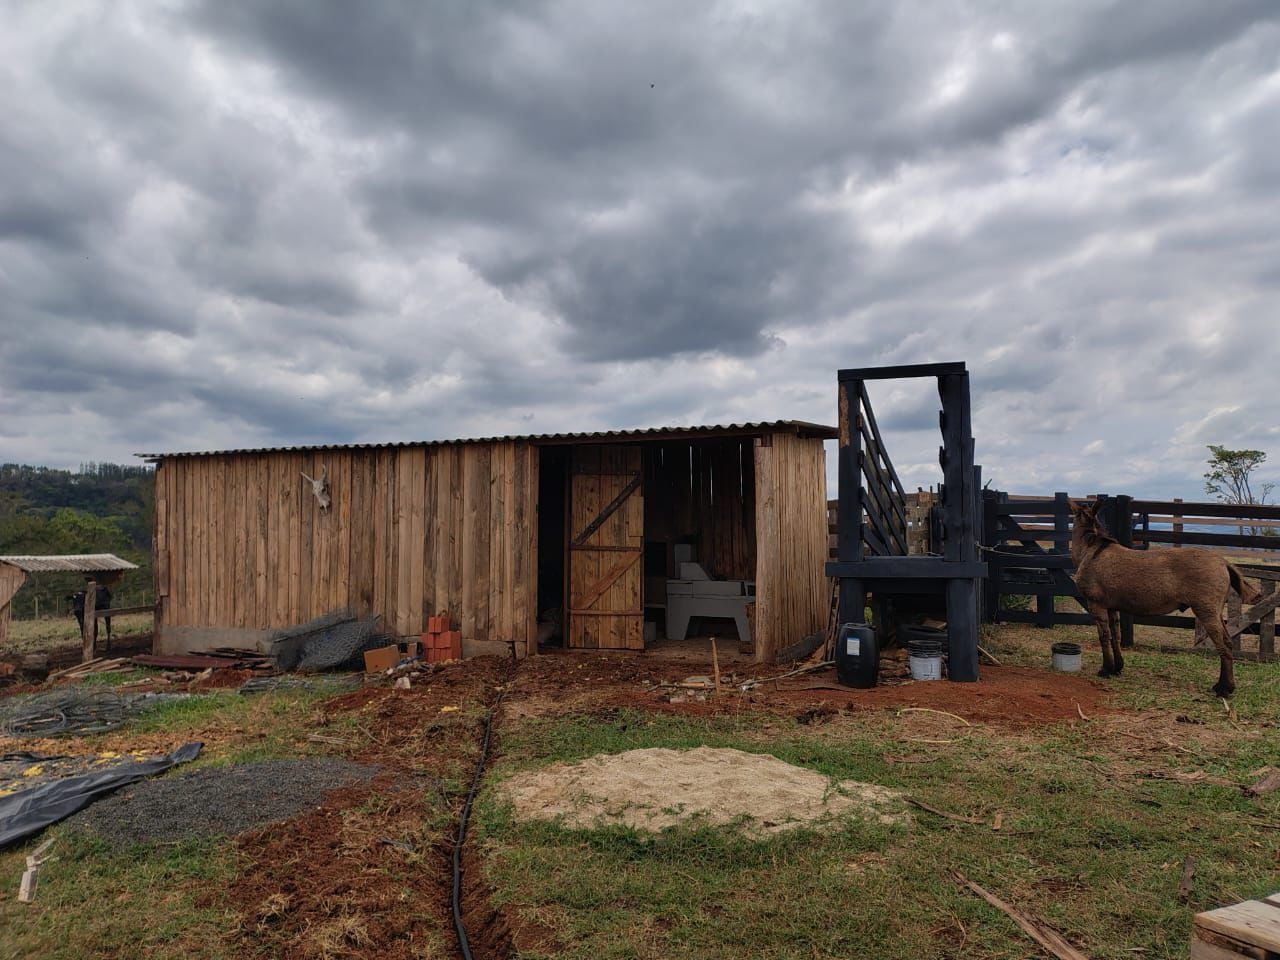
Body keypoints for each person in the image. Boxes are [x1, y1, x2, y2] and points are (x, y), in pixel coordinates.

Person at [67, 583, 113, 649]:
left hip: (99, 605)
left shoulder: (93, 596)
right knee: (85, 625)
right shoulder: (79, 606)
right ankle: (89, 644)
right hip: (85, 609)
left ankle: (106, 639)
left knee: (99, 622)